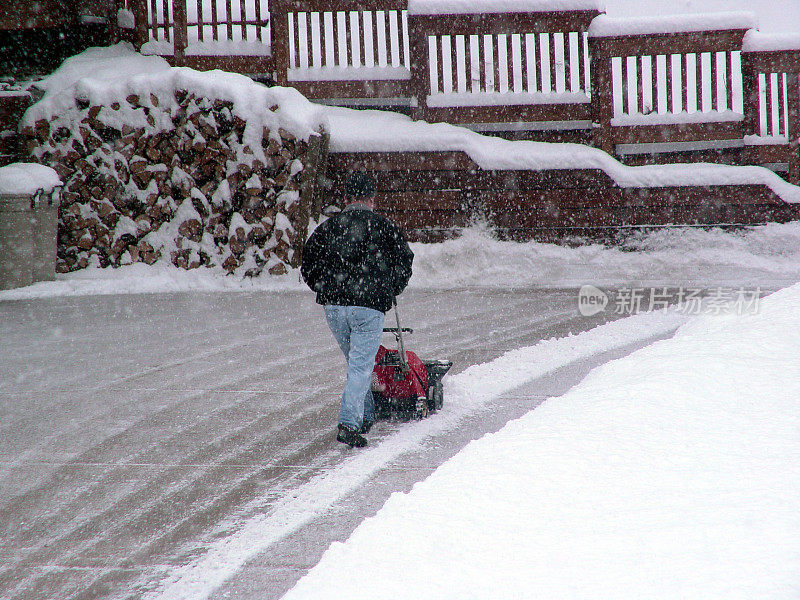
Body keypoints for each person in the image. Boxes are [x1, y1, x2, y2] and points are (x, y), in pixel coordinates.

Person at [301, 172, 413, 448]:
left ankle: (367, 414)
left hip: (335, 307)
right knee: (361, 367)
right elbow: (405, 261)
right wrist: (390, 289)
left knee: (356, 364)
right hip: (368, 307)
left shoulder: (328, 228)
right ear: (372, 200)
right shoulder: (385, 227)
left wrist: (324, 288)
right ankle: (350, 424)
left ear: (346, 199)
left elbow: (309, 262)